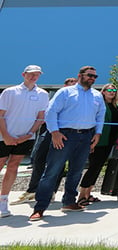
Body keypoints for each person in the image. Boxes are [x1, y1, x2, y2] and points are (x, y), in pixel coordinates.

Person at [29, 66, 106, 221]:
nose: (92, 78)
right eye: (89, 75)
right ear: (80, 75)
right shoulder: (65, 92)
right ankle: (40, 207)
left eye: (95, 76)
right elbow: (51, 112)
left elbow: (100, 115)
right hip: (64, 136)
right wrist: (55, 132)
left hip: (86, 137)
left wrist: (98, 133)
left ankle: (69, 202)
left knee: (76, 171)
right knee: (52, 171)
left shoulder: (97, 95)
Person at [11, 77, 76, 206]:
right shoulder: (56, 97)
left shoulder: (76, 102)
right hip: (47, 131)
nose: (71, 89)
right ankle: (32, 190)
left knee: (58, 163)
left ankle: (51, 192)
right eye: (69, 85)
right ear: (64, 86)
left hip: (63, 133)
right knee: (37, 159)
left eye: (74, 86)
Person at [0, 65, 49, 218]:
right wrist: (6, 135)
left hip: (25, 137)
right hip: (3, 136)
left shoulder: (43, 94)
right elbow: (1, 114)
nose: (34, 77)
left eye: (37, 75)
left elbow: (41, 117)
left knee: (13, 166)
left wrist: (28, 134)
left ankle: (3, 202)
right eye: (31, 74)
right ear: (23, 74)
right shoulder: (10, 92)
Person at [77, 83, 118, 206]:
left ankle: (88, 194)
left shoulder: (116, 106)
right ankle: (81, 195)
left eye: (114, 90)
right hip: (98, 141)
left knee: (98, 167)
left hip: (109, 142)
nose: (112, 92)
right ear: (103, 92)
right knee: (93, 167)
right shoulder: (98, 104)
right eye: (109, 90)